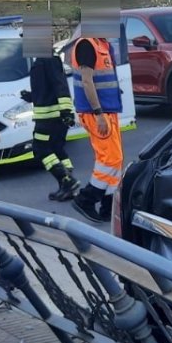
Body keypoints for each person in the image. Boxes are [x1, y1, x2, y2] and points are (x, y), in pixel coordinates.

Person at [68, 32, 124, 223]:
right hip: (97, 113)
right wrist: (98, 113)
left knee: (115, 159)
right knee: (109, 159)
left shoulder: (102, 44)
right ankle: (86, 199)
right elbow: (87, 80)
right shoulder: (87, 44)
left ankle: (109, 207)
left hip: (108, 110)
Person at [21, 52, 79, 201]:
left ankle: (67, 181)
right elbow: (48, 88)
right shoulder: (43, 59)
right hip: (52, 116)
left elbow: (61, 85)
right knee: (57, 149)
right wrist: (32, 96)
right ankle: (66, 186)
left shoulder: (48, 59)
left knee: (40, 148)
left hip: (49, 117)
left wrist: (67, 112)